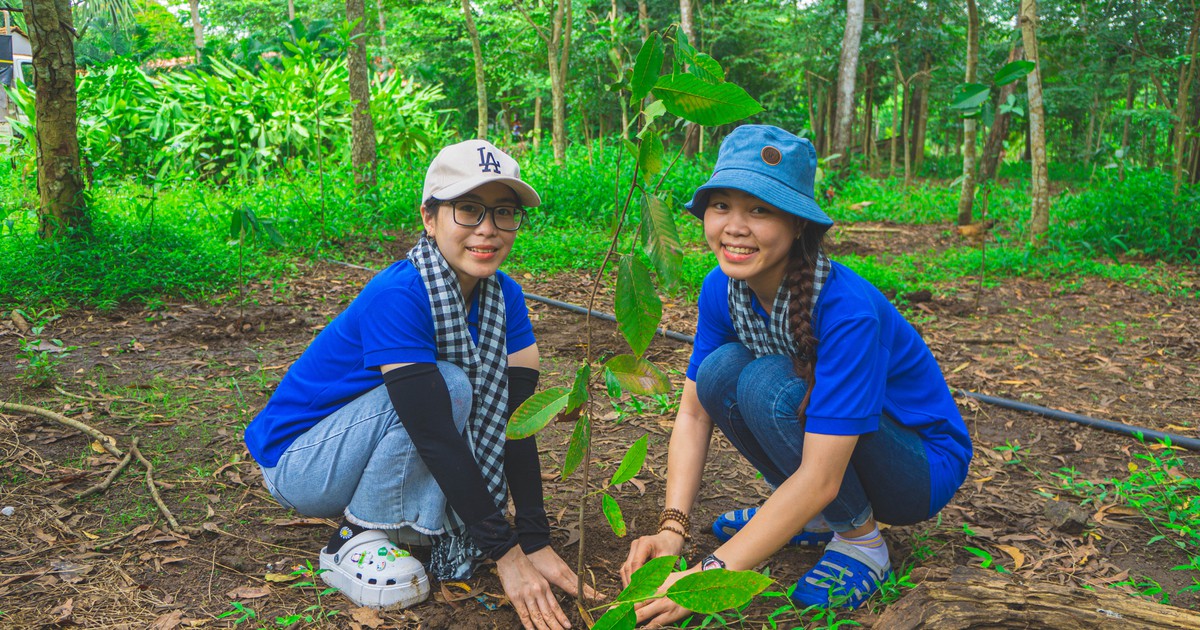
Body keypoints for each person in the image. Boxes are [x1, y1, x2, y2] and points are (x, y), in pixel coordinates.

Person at [620, 125, 972, 625]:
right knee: (722, 372)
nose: (734, 227)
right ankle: (815, 517)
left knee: (766, 386)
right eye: (721, 206)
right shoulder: (722, 289)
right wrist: (673, 530)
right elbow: (695, 414)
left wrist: (712, 575)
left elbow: (822, 475)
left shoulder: (846, 309)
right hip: (839, 447)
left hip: (918, 467)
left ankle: (861, 541)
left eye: (759, 209)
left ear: (799, 224)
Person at [245, 140, 592, 630]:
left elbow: (517, 424)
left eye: (504, 212)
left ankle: (401, 524)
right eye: (468, 210)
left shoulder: (506, 298)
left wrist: (534, 538)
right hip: (302, 463)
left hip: (366, 446)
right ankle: (355, 537)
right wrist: (505, 553)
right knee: (449, 386)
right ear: (430, 218)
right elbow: (431, 430)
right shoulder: (400, 294)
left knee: (451, 390)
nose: (488, 228)